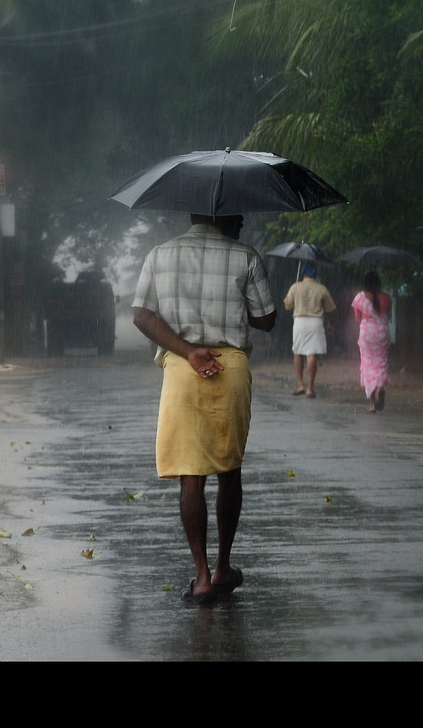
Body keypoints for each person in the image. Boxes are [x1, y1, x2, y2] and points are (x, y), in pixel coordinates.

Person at [132, 213, 276, 605]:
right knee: (229, 469)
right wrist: (229, 306)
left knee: (190, 477)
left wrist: (189, 351)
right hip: (230, 367)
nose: (243, 220)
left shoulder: (159, 255)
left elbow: (141, 315)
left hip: (181, 369)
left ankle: (200, 578)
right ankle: (222, 566)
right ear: (221, 214)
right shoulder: (245, 256)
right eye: (237, 214)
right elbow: (266, 320)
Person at [283, 263, 336, 398]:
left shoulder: (295, 287)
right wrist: (330, 324)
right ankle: (310, 388)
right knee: (312, 353)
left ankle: (300, 384)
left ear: (303, 274)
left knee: (298, 352)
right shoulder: (321, 288)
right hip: (316, 322)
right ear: (315, 274)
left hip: (300, 322)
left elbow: (288, 306)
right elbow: (330, 309)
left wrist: (290, 299)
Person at [351, 270, 392, 412]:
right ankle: (380, 386)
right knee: (381, 362)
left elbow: (357, 319)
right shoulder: (387, 297)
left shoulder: (359, 298)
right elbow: (388, 316)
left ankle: (373, 405)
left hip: (367, 333)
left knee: (368, 365)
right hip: (382, 333)